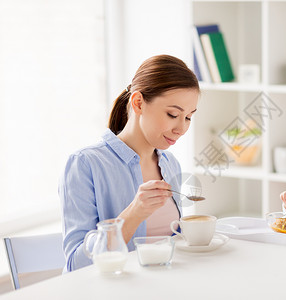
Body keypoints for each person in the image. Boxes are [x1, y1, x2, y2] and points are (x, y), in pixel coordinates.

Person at [59, 55, 200, 272]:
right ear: (138, 103)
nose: (181, 128)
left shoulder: (170, 164)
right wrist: (135, 212)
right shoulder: (85, 164)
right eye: (173, 114)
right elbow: (76, 265)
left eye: (188, 117)